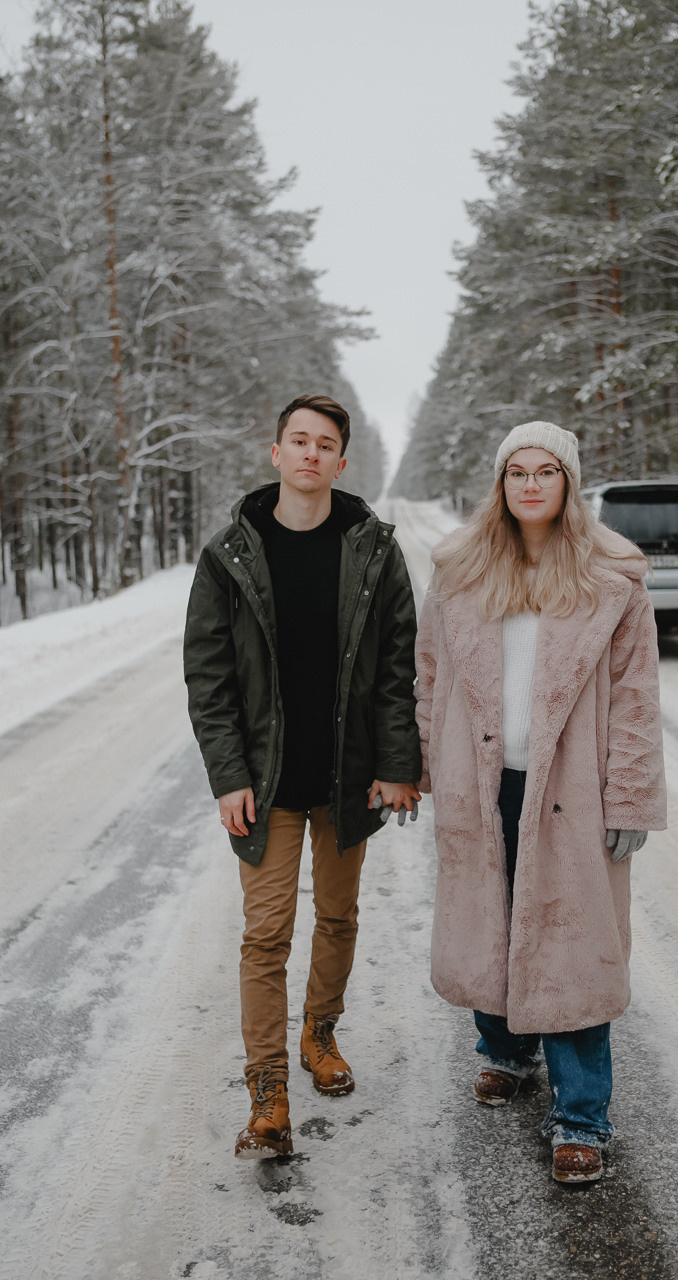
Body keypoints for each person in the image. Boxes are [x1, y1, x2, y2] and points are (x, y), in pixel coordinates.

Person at [414, 421, 666, 1184]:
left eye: (545, 472)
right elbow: (428, 678)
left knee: (570, 945)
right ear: (499, 484)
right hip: (483, 783)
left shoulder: (611, 578)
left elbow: (634, 699)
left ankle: (582, 1114)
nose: (529, 484)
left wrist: (628, 799)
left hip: (572, 792)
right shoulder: (460, 573)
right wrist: (430, 770)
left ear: (566, 484)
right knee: (487, 921)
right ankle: (503, 1051)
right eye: (516, 472)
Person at [184, 393, 421, 1160]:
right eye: (299, 440)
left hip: (347, 776)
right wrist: (227, 775)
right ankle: (267, 1094)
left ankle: (321, 1034)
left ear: (341, 462)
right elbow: (208, 677)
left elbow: (394, 668)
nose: (311, 452)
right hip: (266, 778)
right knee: (264, 935)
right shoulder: (230, 554)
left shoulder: (375, 550)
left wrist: (395, 765)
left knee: (341, 917)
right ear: (276, 453)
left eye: (326, 443)